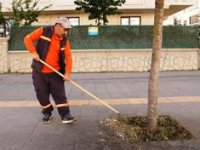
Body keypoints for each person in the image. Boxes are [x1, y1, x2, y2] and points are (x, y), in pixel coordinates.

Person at [24, 17, 75, 124]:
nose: (66, 32)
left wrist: (67, 73)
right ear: (57, 26)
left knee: (59, 94)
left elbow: (68, 57)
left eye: (68, 30)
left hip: (55, 72)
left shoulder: (64, 40)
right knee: (41, 94)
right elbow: (27, 39)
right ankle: (47, 112)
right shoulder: (43, 31)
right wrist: (33, 52)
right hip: (39, 71)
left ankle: (65, 115)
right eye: (65, 29)